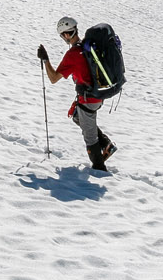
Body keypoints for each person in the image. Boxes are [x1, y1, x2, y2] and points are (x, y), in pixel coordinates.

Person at [39, 15, 115, 171]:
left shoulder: (72, 55)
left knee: (90, 137)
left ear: (67, 34)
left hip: (88, 99)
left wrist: (45, 60)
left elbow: (53, 78)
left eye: (62, 35)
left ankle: (99, 168)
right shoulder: (87, 47)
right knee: (76, 116)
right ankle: (106, 145)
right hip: (98, 95)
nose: (63, 38)